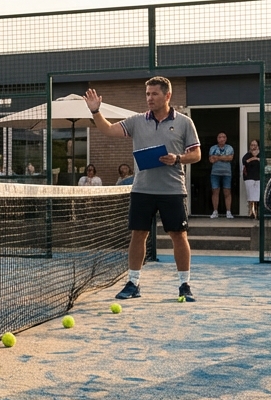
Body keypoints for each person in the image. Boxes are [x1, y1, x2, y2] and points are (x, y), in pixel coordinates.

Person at [85, 77, 200, 301]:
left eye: (154, 94)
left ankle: (184, 285)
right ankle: (133, 283)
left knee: (179, 235)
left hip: (173, 190)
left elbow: (196, 154)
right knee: (138, 234)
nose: (149, 98)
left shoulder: (185, 122)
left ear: (167, 96)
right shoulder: (137, 121)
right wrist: (96, 111)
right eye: (147, 94)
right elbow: (108, 130)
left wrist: (177, 158)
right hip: (142, 190)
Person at [208, 132, 235, 218]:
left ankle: (228, 212)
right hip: (215, 173)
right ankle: (215, 211)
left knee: (227, 191)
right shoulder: (213, 148)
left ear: (226, 139)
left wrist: (217, 157)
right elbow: (211, 160)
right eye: (220, 137)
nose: (222, 139)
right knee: (215, 191)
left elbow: (230, 158)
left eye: (224, 137)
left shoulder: (230, 148)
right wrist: (224, 158)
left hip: (227, 173)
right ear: (217, 139)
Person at [242, 140, 262, 218]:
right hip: (249, 177)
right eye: (252, 145)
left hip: (259, 177)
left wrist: (254, 159)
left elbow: (264, 162)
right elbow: (244, 162)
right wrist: (254, 159)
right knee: (250, 195)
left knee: (258, 195)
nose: (253, 146)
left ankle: (257, 212)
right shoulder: (247, 155)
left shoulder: (261, 154)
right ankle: (251, 212)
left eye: (255, 145)